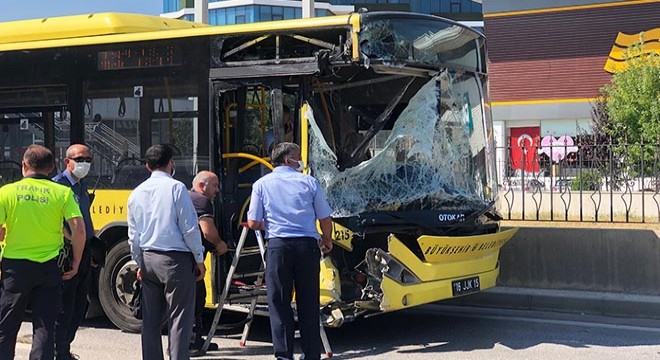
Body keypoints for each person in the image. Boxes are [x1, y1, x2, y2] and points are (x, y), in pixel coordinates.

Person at [247, 142, 333, 360]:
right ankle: (311, 353)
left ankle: (284, 354)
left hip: (278, 247)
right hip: (306, 246)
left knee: (279, 301)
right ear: (288, 160)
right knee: (308, 301)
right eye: (298, 157)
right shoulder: (309, 182)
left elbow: (253, 221)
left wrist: (273, 224)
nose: (300, 161)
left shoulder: (261, 184)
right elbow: (324, 218)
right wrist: (327, 240)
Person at [0, 144, 86, 360]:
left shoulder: (6, 192)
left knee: (7, 326)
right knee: (44, 326)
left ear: (24, 165)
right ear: (51, 168)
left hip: (15, 268)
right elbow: (78, 229)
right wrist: (76, 262)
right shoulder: (63, 192)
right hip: (49, 268)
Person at [127, 144, 205, 360]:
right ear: (171, 164)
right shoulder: (177, 188)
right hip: (175, 260)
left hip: (148, 258)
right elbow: (189, 228)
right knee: (179, 318)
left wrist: (139, 263)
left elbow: (134, 235)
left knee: (151, 320)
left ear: (147, 166)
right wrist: (199, 258)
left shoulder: (136, 192)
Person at [53, 144, 95, 360]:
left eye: (88, 159)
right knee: (65, 305)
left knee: (80, 304)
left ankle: (65, 347)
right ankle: (58, 351)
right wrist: (74, 239)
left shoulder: (81, 185)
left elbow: (84, 219)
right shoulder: (57, 186)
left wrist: (91, 243)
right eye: (80, 159)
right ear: (67, 161)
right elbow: (55, 223)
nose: (85, 163)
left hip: (84, 251)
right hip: (66, 253)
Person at [188, 171, 228, 355]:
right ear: (202, 186)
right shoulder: (202, 201)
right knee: (196, 299)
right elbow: (207, 231)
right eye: (215, 185)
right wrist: (220, 245)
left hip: (181, 257)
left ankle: (190, 340)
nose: (217, 190)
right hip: (190, 260)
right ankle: (193, 342)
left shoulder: (188, 197)